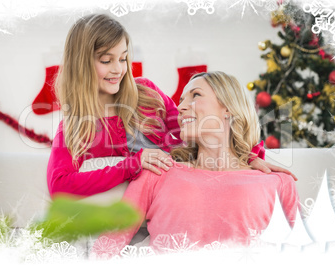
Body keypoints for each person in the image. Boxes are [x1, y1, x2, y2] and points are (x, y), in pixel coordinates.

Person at [47, 14, 296, 200]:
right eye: (106, 60)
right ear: (81, 63)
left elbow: (198, 129)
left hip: (196, 189)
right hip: (152, 207)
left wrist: (251, 156)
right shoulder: (75, 127)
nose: (118, 69)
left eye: (123, 58)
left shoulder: (146, 92)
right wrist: (132, 164)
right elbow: (59, 184)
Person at [90, 71, 299, 257]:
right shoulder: (157, 170)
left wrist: (251, 158)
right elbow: (107, 247)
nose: (180, 107)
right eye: (181, 100)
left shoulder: (278, 182)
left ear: (228, 108)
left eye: (195, 95)